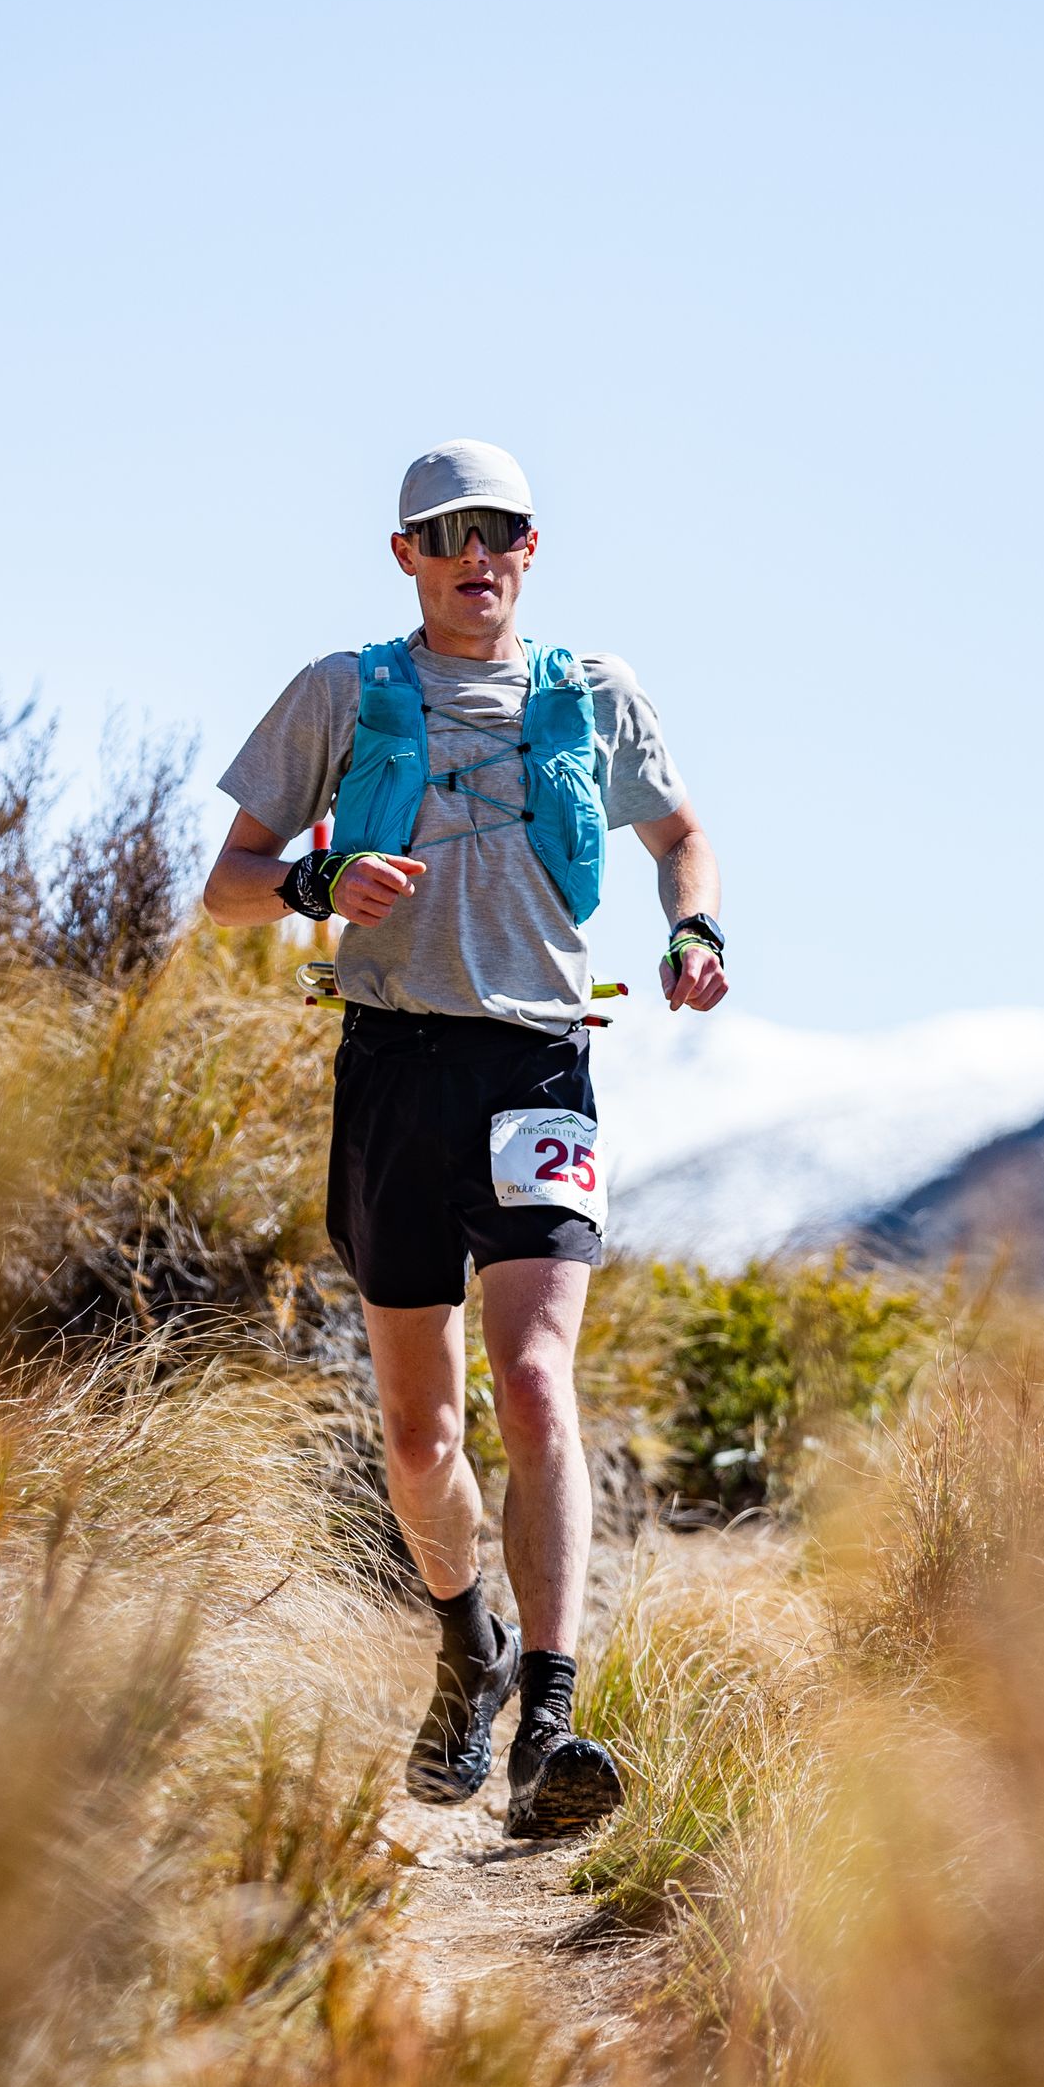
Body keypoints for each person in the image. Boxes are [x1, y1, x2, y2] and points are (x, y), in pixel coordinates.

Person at [204, 439, 727, 1837]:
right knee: (422, 1431)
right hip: (392, 1067)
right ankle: (468, 1645)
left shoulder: (591, 696)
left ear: (533, 550)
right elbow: (229, 887)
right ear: (407, 560)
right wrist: (319, 876)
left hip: (540, 1062)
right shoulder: (343, 691)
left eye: (500, 532)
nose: (475, 555)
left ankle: (553, 1713)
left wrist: (693, 925)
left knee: (537, 1381)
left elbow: (682, 833)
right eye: (447, 535)